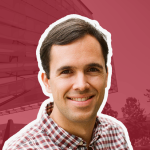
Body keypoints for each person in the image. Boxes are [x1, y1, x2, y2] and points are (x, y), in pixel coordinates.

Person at [3, 15, 132, 150]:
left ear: (106, 76)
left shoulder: (116, 134)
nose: (81, 85)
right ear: (46, 82)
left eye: (92, 69)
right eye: (66, 71)